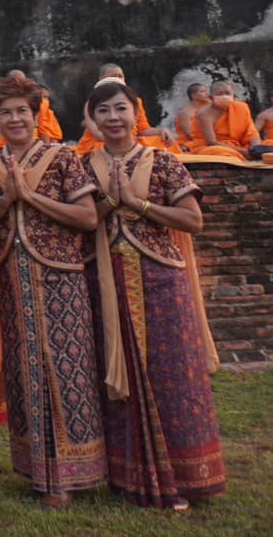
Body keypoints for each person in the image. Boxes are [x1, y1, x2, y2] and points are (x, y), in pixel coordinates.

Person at [83, 78, 225, 510]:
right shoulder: (84, 166)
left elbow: (192, 220)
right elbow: (81, 220)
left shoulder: (161, 161)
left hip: (162, 280)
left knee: (172, 377)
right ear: (93, 118)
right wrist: (111, 203)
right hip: (106, 283)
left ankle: (183, 477)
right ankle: (129, 476)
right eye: (103, 110)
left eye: (120, 109)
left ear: (135, 112)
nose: (113, 118)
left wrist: (139, 204)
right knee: (119, 377)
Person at [0, 76, 106, 509]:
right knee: (24, 372)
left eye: (22, 111)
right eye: (6, 113)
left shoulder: (61, 158)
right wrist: (6, 200)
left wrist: (29, 197)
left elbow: (87, 216)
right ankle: (38, 471)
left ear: (36, 116)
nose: (14, 119)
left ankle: (71, 476)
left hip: (58, 276)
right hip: (8, 276)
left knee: (66, 369)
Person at [75, 64, 174, 155]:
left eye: (120, 76)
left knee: (160, 140)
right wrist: (128, 141)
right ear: (102, 79)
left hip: (131, 141)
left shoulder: (135, 101)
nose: (118, 79)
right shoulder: (92, 102)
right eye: (113, 76)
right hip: (103, 142)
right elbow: (99, 135)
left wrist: (161, 131)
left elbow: (143, 129)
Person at [190, 81, 261, 159]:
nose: (224, 96)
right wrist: (242, 151)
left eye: (227, 93)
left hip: (239, 145)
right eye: (219, 94)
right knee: (220, 152)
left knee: (269, 144)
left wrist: (256, 147)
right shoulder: (204, 114)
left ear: (234, 96)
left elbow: (252, 132)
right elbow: (211, 142)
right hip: (211, 147)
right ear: (211, 97)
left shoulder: (242, 107)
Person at [9, 70, 64, 142]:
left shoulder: (30, 86)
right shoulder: (9, 91)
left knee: (46, 130)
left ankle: (48, 147)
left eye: (21, 79)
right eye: (16, 79)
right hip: (31, 117)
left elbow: (42, 96)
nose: (20, 81)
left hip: (40, 114)